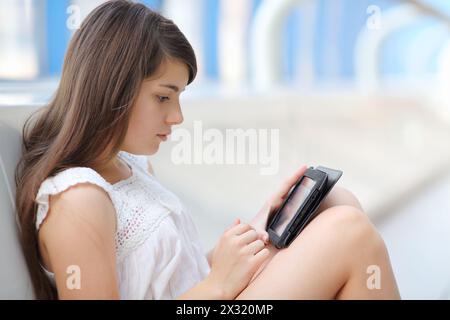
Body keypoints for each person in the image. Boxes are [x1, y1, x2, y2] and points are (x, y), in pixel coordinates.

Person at [15, 0, 400, 300]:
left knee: (334, 201)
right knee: (349, 234)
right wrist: (216, 286)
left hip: (208, 294)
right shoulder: (78, 198)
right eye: (163, 97)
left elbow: (172, 276)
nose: (177, 116)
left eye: (178, 97)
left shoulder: (129, 166)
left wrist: (261, 224)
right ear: (112, 89)